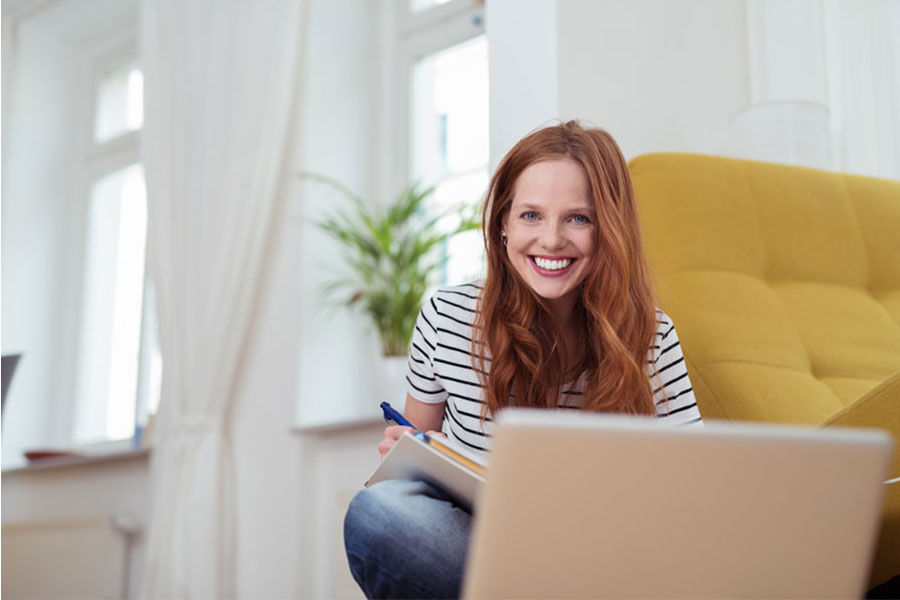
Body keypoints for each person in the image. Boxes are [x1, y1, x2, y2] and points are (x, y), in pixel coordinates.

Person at [343, 120, 703, 599]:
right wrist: (405, 450)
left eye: (579, 218)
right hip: (476, 545)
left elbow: (695, 489)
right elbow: (413, 450)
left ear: (610, 228)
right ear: (503, 225)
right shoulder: (447, 315)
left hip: (594, 560)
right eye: (531, 215)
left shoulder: (651, 334)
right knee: (381, 510)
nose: (551, 240)